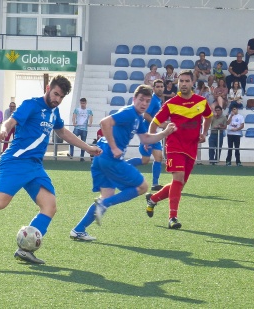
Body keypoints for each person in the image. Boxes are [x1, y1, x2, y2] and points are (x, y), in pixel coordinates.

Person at [0, 75, 102, 264]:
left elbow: (62, 132)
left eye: (61, 97)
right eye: (56, 94)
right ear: (48, 87)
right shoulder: (31, 104)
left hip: (35, 166)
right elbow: (11, 122)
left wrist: (88, 148)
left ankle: (25, 250)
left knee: (50, 206)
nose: (57, 99)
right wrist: (3, 130)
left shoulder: (54, 112)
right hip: (16, 161)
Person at [69, 85, 176, 241]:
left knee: (106, 194)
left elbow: (145, 138)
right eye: (141, 100)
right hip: (109, 158)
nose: (144, 104)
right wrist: (114, 147)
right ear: (134, 99)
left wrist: (165, 132)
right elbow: (104, 122)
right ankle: (105, 204)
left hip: (101, 158)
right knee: (143, 187)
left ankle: (79, 229)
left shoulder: (138, 118)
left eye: (147, 101)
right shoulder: (129, 112)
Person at [146, 70, 213, 229]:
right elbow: (154, 123)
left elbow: (208, 117)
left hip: (191, 147)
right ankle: (172, 218)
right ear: (178, 83)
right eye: (181, 81)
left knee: (180, 183)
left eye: (186, 81)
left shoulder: (201, 102)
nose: (183, 84)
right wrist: (150, 139)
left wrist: (204, 133)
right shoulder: (170, 104)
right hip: (174, 146)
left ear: (192, 83)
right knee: (178, 179)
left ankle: (153, 199)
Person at [127, 79, 166, 191]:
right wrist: (158, 123)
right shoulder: (153, 100)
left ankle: (155, 184)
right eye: (157, 86)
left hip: (153, 133)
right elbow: (146, 115)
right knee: (145, 160)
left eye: (161, 86)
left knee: (159, 157)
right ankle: (121, 166)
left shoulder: (158, 100)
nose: (160, 88)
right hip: (148, 132)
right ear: (154, 89)